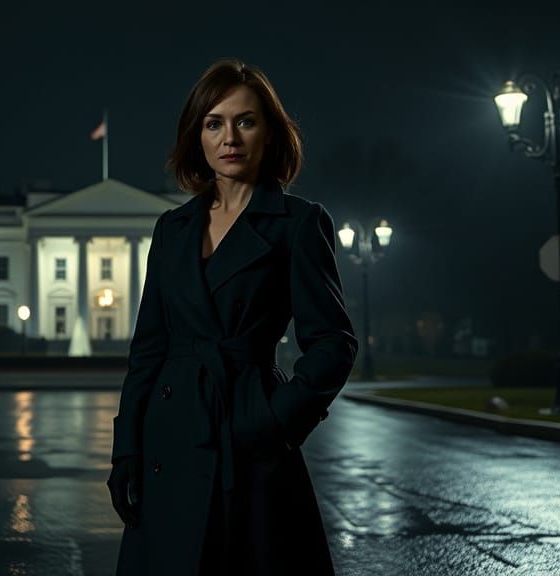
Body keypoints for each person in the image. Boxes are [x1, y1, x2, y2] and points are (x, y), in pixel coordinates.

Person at [107, 58, 359, 576]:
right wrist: (126, 448)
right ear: (196, 134)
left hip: (249, 438)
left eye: (245, 121)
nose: (230, 138)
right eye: (214, 122)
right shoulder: (172, 228)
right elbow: (148, 349)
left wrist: (273, 423)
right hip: (169, 440)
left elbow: (334, 342)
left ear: (269, 133)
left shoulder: (298, 223)